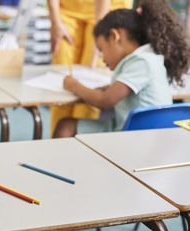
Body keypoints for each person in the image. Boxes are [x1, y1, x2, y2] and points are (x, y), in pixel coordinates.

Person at [54, 0, 190, 137]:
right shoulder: (147, 57)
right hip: (143, 132)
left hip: (136, 136)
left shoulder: (142, 61)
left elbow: (105, 101)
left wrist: (73, 85)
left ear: (114, 36)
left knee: (65, 126)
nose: (102, 57)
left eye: (101, 49)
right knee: (67, 124)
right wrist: (108, 87)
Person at [47, 0, 132, 136]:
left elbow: (104, 99)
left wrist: (100, 35)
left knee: (92, 81)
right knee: (60, 85)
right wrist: (55, 21)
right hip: (69, 10)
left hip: (108, 10)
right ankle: (58, 145)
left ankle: (84, 146)